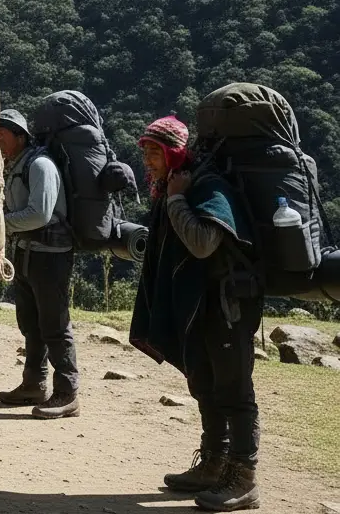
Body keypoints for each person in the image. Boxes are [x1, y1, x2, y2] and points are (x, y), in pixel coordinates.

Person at [129, 116, 261, 512]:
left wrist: (176, 200)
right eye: (146, 152)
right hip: (201, 307)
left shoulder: (206, 186)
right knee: (204, 382)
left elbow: (204, 243)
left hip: (226, 305)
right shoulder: (176, 184)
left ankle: (244, 479)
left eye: (155, 152)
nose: (148, 160)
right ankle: (213, 463)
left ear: (173, 152)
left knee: (234, 390)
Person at [0, 109, 80, 419]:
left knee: (54, 324)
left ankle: (67, 393)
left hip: (50, 255)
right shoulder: (16, 165)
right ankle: (33, 384)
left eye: (2, 135)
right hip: (27, 252)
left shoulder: (41, 165)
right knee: (31, 323)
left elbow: (40, 214)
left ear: (20, 135)